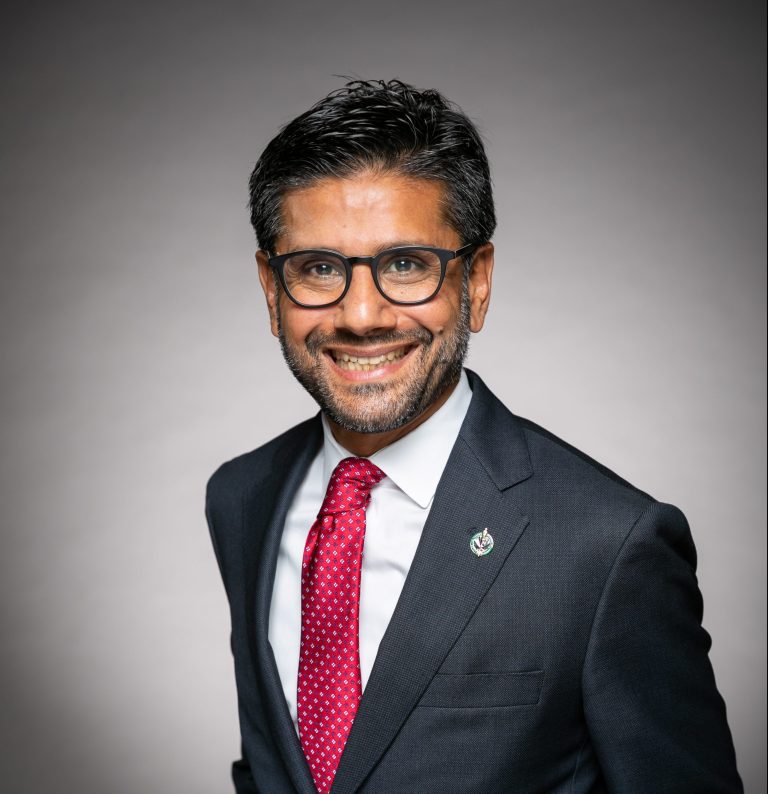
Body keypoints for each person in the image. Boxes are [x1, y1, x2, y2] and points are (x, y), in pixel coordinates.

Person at [205, 79, 742, 794]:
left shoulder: (607, 544)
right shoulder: (241, 497)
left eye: (406, 265)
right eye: (318, 269)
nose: (361, 313)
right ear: (273, 293)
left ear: (477, 282)